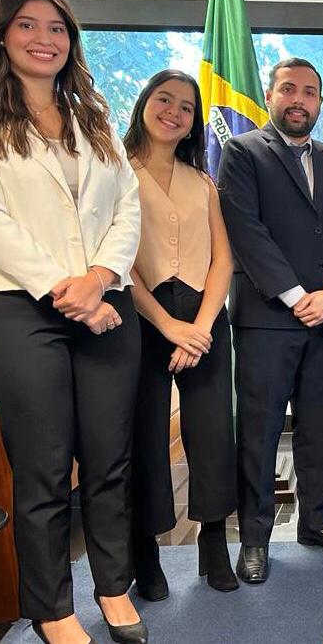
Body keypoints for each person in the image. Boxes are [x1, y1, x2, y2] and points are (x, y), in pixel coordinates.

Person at [0, 0, 146, 644]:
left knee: (109, 458)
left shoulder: (94, 119)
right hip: (15, 307)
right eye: (27, 25)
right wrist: (62, 288)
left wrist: (99, 279)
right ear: (2, 35)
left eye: (57, 27)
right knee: (44, 466)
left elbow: (127, 207)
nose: (44, 39)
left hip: (107, 302)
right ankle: (51, 608)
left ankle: (113, 586)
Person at [218, 58, 323, 585]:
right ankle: (255, 538)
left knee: (320, 428)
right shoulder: (242, 152)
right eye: (288, 89)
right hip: (267, 320)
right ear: (270, 95)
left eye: (308, 92)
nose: (298, 99)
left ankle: (316, 521)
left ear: (320, 101)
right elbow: (245, 229)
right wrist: (298, 295)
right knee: (260, 433)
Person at [123, 70, 237, 598]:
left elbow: (223, 260)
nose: (174, 112)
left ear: (194, 122)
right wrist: (168, 326)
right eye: (164, 100)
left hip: (203, 318)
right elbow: (118, 264)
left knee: (212, 431)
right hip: (141, 319)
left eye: (187, 107)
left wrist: (201, 328)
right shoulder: (115, 172)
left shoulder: (203, 182)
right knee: (145, 433)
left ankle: (214, 541)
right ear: (145, 104)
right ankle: (145, 550)